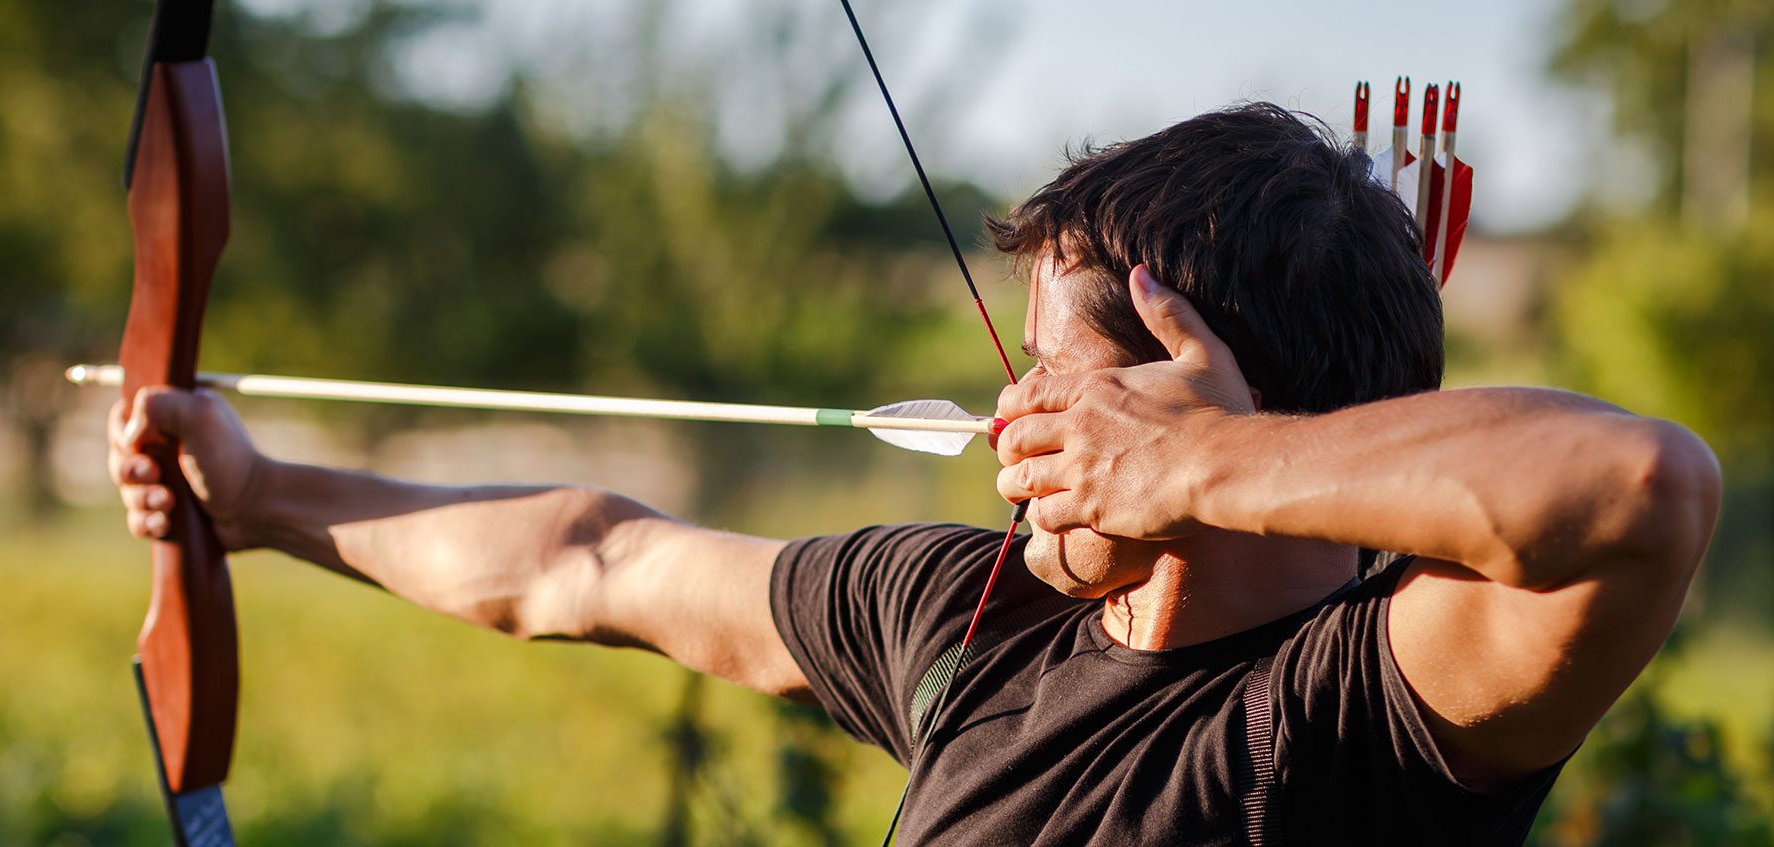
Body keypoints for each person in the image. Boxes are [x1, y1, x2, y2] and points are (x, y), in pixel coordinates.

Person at [107, 104, 1721, 845]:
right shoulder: (972, 616)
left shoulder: (1370, 703)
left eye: (1053, 370)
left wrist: (1207, 469)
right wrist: (252, 500)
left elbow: (1641, 488)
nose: (1013, 411)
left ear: (1179, 396)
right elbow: (587, 562)